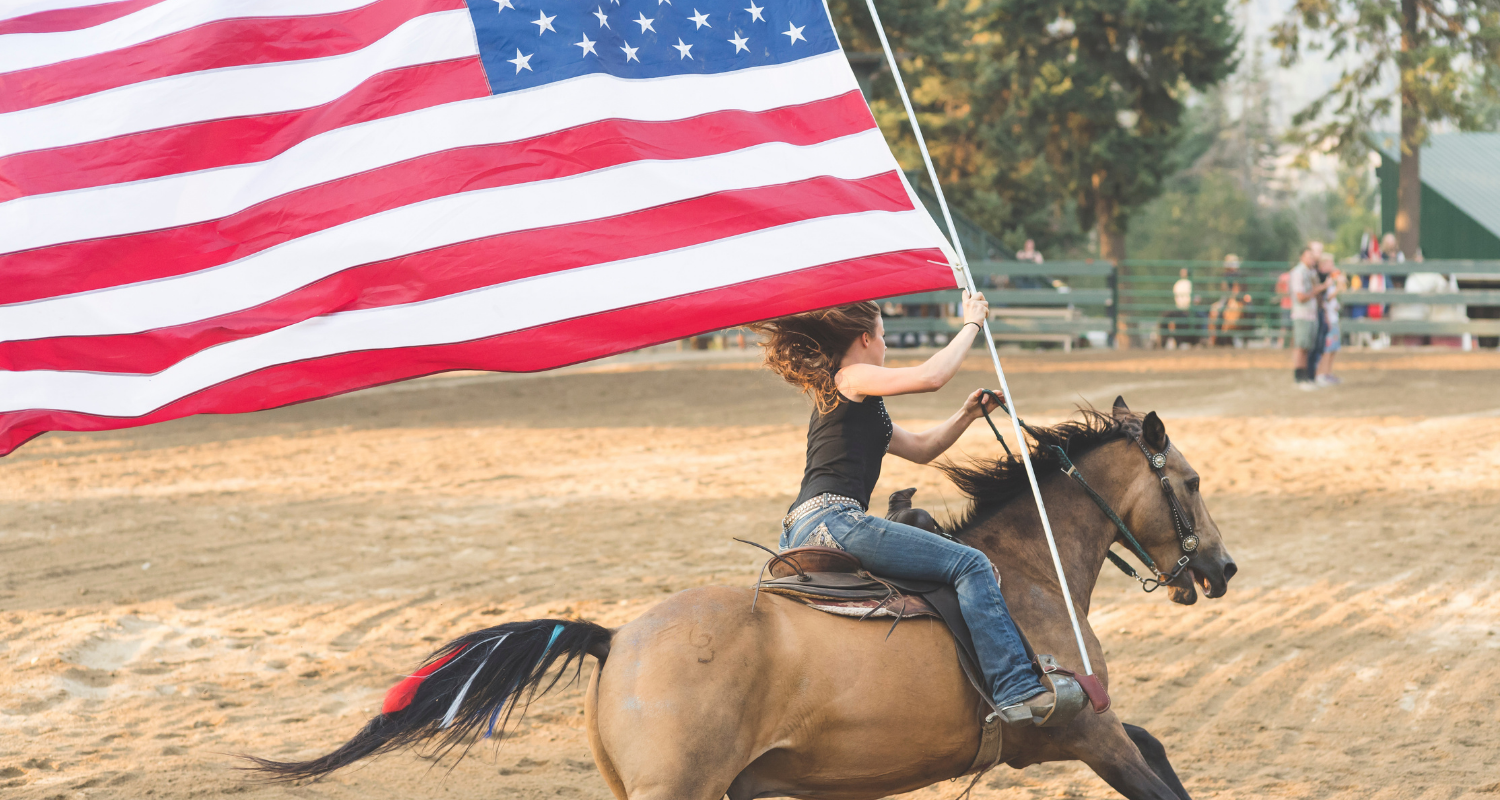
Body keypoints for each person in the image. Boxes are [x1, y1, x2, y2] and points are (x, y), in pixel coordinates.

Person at [749, 295, 1054, 727]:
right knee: (971, 564)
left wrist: (966, 415)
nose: (886, 345)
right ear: (865, 338)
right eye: (885, 336)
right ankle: (1016, 688)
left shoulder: (856, 404)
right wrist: (971, 324)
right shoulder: (851, 376)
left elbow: (923, 449)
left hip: (800, 526)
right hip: (835, 520)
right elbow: (931, 377)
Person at [1289, 248, 1331, 388]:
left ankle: (1306, 377)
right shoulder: (1298, 273)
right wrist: (1317, 289)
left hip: (1310, 314)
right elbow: (1300, 296)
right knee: (1301, 347)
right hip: (1302, 314)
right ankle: (1299, 378)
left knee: (1307, 347)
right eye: (1309, 257)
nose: (1312, 260)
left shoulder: (1309, 273)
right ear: (1302, 257)